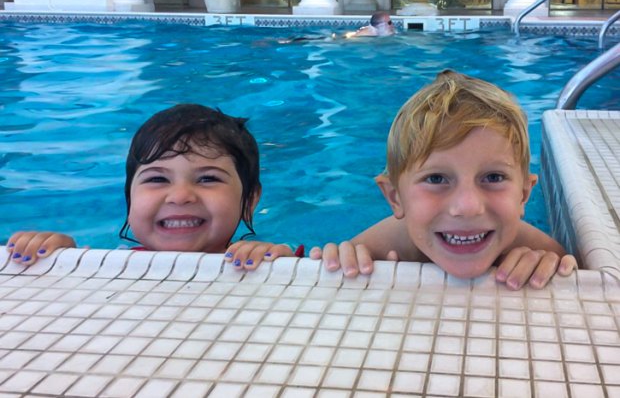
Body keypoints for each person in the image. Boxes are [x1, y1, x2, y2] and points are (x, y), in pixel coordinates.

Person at [312, 70, 577, 290]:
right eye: (436, 178)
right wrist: (341, 260)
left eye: (493, 177)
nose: (467, 206)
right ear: (395, 197)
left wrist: (549, 267)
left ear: (523, 195)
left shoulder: (538, 249)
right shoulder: (375, 248)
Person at [6, 104, 296, 269]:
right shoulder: (110, 265)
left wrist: (278, 264)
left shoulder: (258, 262)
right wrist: (59, 258)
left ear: (250, 200)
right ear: (129, 196)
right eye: (157, 179)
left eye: (208, 178)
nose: (181, 196)